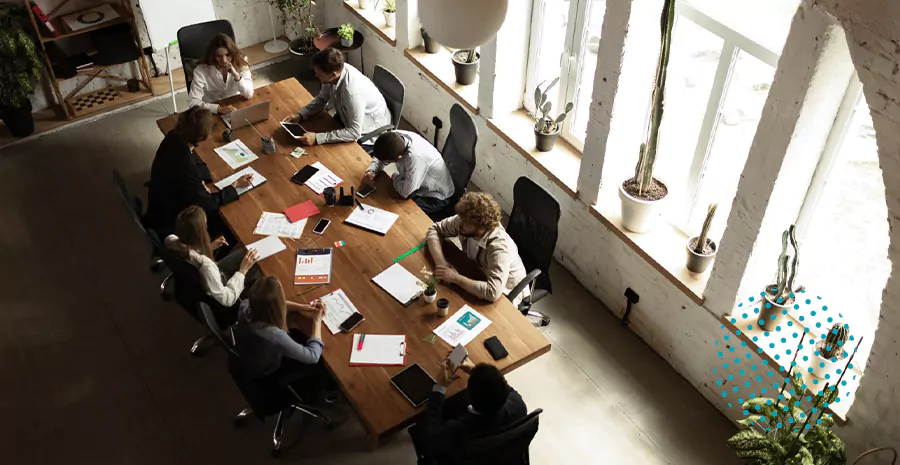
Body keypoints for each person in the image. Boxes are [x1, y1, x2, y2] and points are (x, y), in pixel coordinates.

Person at [144, 106, 252, 239]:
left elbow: (193, 154)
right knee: (231, 222)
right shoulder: (185, 165)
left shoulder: (175, 136)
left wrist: (204, 178)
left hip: (160, 195)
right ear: (201, 136)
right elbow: (207, 203)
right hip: (171, 216)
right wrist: (234, 185)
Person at [231, 276, 334, 401]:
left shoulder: (245, 305)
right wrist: (317, 321)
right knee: (323, 364)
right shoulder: (274, 336)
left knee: (298, 334)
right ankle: (325, 393)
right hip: (267, 370)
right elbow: (313, 356)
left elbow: (272, 305)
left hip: (249, 355)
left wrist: (303, 307)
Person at [409, 359, 528, 465]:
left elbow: (433, 436)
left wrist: (440, 387)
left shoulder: (456, 429)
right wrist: (478, 374)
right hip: (503, 456)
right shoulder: (518, 405)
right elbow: (505, 388)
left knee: (421, 424)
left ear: (469, 396)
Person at [426, 192, 529, 305]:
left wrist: (456, 278)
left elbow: (493, 292)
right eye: (461, 218)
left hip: (507, 292)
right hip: (478, 272)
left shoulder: (499, 248)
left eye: (465, 222)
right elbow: (435, 230)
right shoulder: (465, 221)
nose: (460, 224)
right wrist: (441, 263)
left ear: (481, 225)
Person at [282, 47, 390, 148]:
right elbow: (322, 99)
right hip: (347, 118)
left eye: (319, 74)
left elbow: (354, 132)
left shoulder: (352, 93)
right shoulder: (336, 70)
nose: (316, 75)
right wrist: (301, 114)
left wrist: (318, 138)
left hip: (368, 133)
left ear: (333, 75)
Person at [164, 206, 259, 308]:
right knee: (257, 266)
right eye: (205, 225)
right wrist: (242, 270)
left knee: (247, 251)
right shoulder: (207, 266)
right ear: (200, 234)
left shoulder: (170, 240)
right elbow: (227, 299)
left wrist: (209, 247)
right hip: (221, 284)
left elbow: (190, 251)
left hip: (213, 272)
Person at [362, 130, 455, 219]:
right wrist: (373, 169)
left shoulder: (414, 159)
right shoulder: (394, 137)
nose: (385, 162)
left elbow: (406, 193)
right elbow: (382, 156)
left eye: (387, 162)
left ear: (399, 157)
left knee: (397, 214)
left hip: (435, 196)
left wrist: (394, 176)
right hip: (416, 183)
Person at [187, 33, 254, 115]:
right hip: (210, 111)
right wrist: (218, 109)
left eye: (227, 55)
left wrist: (236, 75)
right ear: (213, 56)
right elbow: (192, 102)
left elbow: (249, 94)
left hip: (235, 106)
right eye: (219, 56)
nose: (224, 60)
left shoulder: (240, 63)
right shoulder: (201, 71)